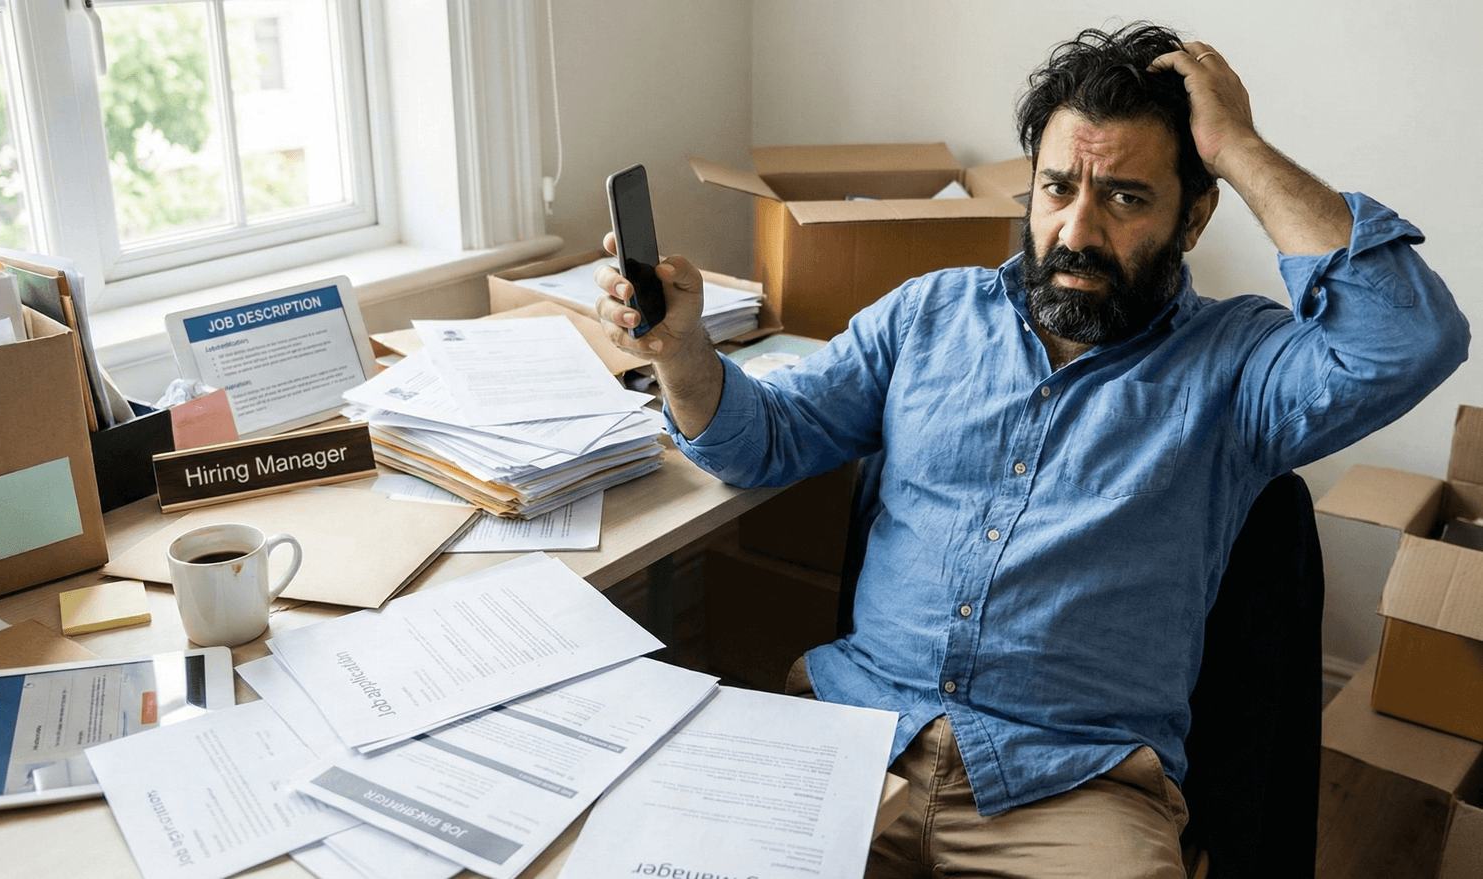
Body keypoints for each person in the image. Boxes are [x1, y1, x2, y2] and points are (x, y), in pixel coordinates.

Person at [595, 23, 1468, 879]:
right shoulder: (927, 316)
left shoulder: (1239, 367)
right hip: (854, 741)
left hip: (1075, 790)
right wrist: (682, 352)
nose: (1077, 231)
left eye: (1126, 197)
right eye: (1057, 189)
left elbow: (1408, 337)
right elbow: (766, 441)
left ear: (1196, 215)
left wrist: (1235, 144)